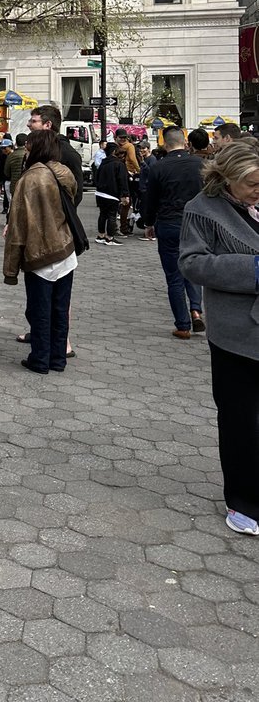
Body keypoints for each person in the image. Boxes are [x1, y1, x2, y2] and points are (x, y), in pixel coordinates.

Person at [179, 138, 259, 535]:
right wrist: (254, 271)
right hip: (236, 334)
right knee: (241, 419)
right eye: (252, 183)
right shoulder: (203, 211)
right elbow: (192, 264)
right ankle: (243, 501)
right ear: (226, 179)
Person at [3, 128, 77, 375]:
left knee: (40, 309)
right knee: (60, 307)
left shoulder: (29, 178)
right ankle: (58, 358)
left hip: (39, 253)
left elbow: (17, 225)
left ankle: (39, 358)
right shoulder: (64, 173)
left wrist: (10, 270)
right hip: (65, 249)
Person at [141, 125, 205, 339]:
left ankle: (183, 324)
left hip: (169, 223)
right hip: (196, 224)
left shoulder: (159, 167)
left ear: (165, 144)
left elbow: (149, 199)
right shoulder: (200, 164)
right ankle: (196, 309)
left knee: (174, 276)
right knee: (194, 268)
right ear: (185, 142)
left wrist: (149, 223)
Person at [93, 141, 128, 245]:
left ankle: (101, 235)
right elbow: (122, 180)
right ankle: (110, 237)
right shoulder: (118, 164)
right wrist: (125, 195)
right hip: (112, 194)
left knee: (102, 214)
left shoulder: (102, 163)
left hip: (100, 193)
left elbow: (96, 178)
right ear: (114, 151)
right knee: (112, 216)